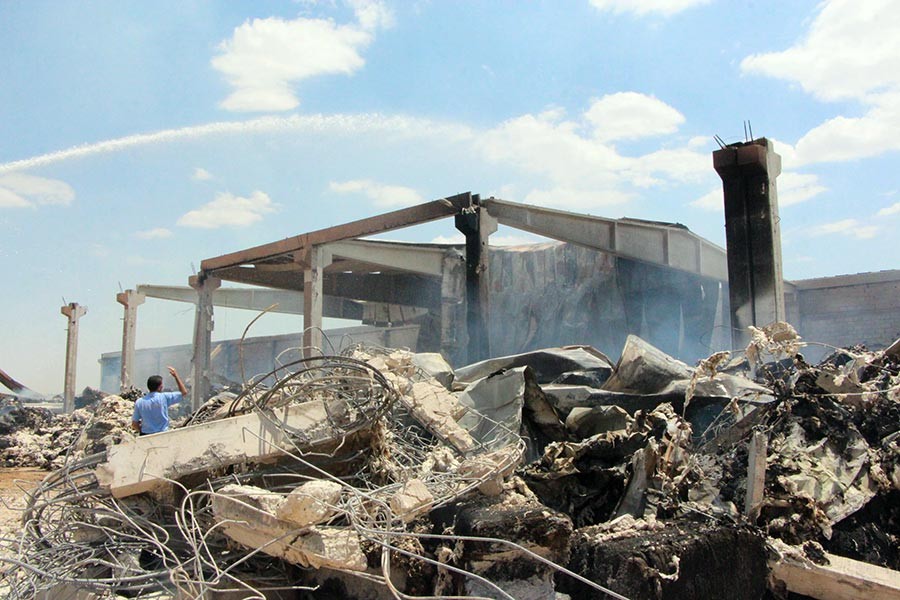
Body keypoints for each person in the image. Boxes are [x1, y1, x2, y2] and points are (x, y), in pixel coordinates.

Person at [132, 366, 187, 435]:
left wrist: (141, 430)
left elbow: (134, 423)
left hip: (146, 435)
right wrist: (176, 376)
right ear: (159, 387)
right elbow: (184, 392)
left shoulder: (139, 402)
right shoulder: (164, 397)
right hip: (162, 434)